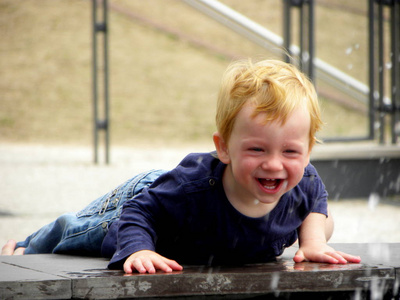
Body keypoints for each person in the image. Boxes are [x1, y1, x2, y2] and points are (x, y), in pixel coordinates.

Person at [1, 59, 361, 274]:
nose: (274, 164)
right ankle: (26, 245)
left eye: (290, 152)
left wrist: (312, 240)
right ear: (224, 148)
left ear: (308, 151)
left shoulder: (301, 180)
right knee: (80, 233)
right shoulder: (192, 189)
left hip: (174, 210)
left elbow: (316, 198)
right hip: (152, 199)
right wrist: (139, 250)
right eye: (256, 148)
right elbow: (140, 213)